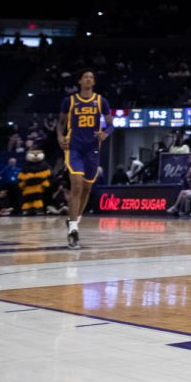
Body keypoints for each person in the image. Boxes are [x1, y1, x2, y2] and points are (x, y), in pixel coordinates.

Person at [56, 69, 114, 249]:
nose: (89, 79)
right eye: (86, 77)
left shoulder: (100, 101)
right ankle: (73, 232)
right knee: (77, 186)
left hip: (92, 149)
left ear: (94, 82)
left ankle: (74, 220)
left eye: (91, 77)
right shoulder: (70, 101)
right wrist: (59, 137)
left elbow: (111, 125)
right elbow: (60, 124)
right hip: (74, 148)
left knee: (87, 189)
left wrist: (105, 133)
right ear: (80, 81)